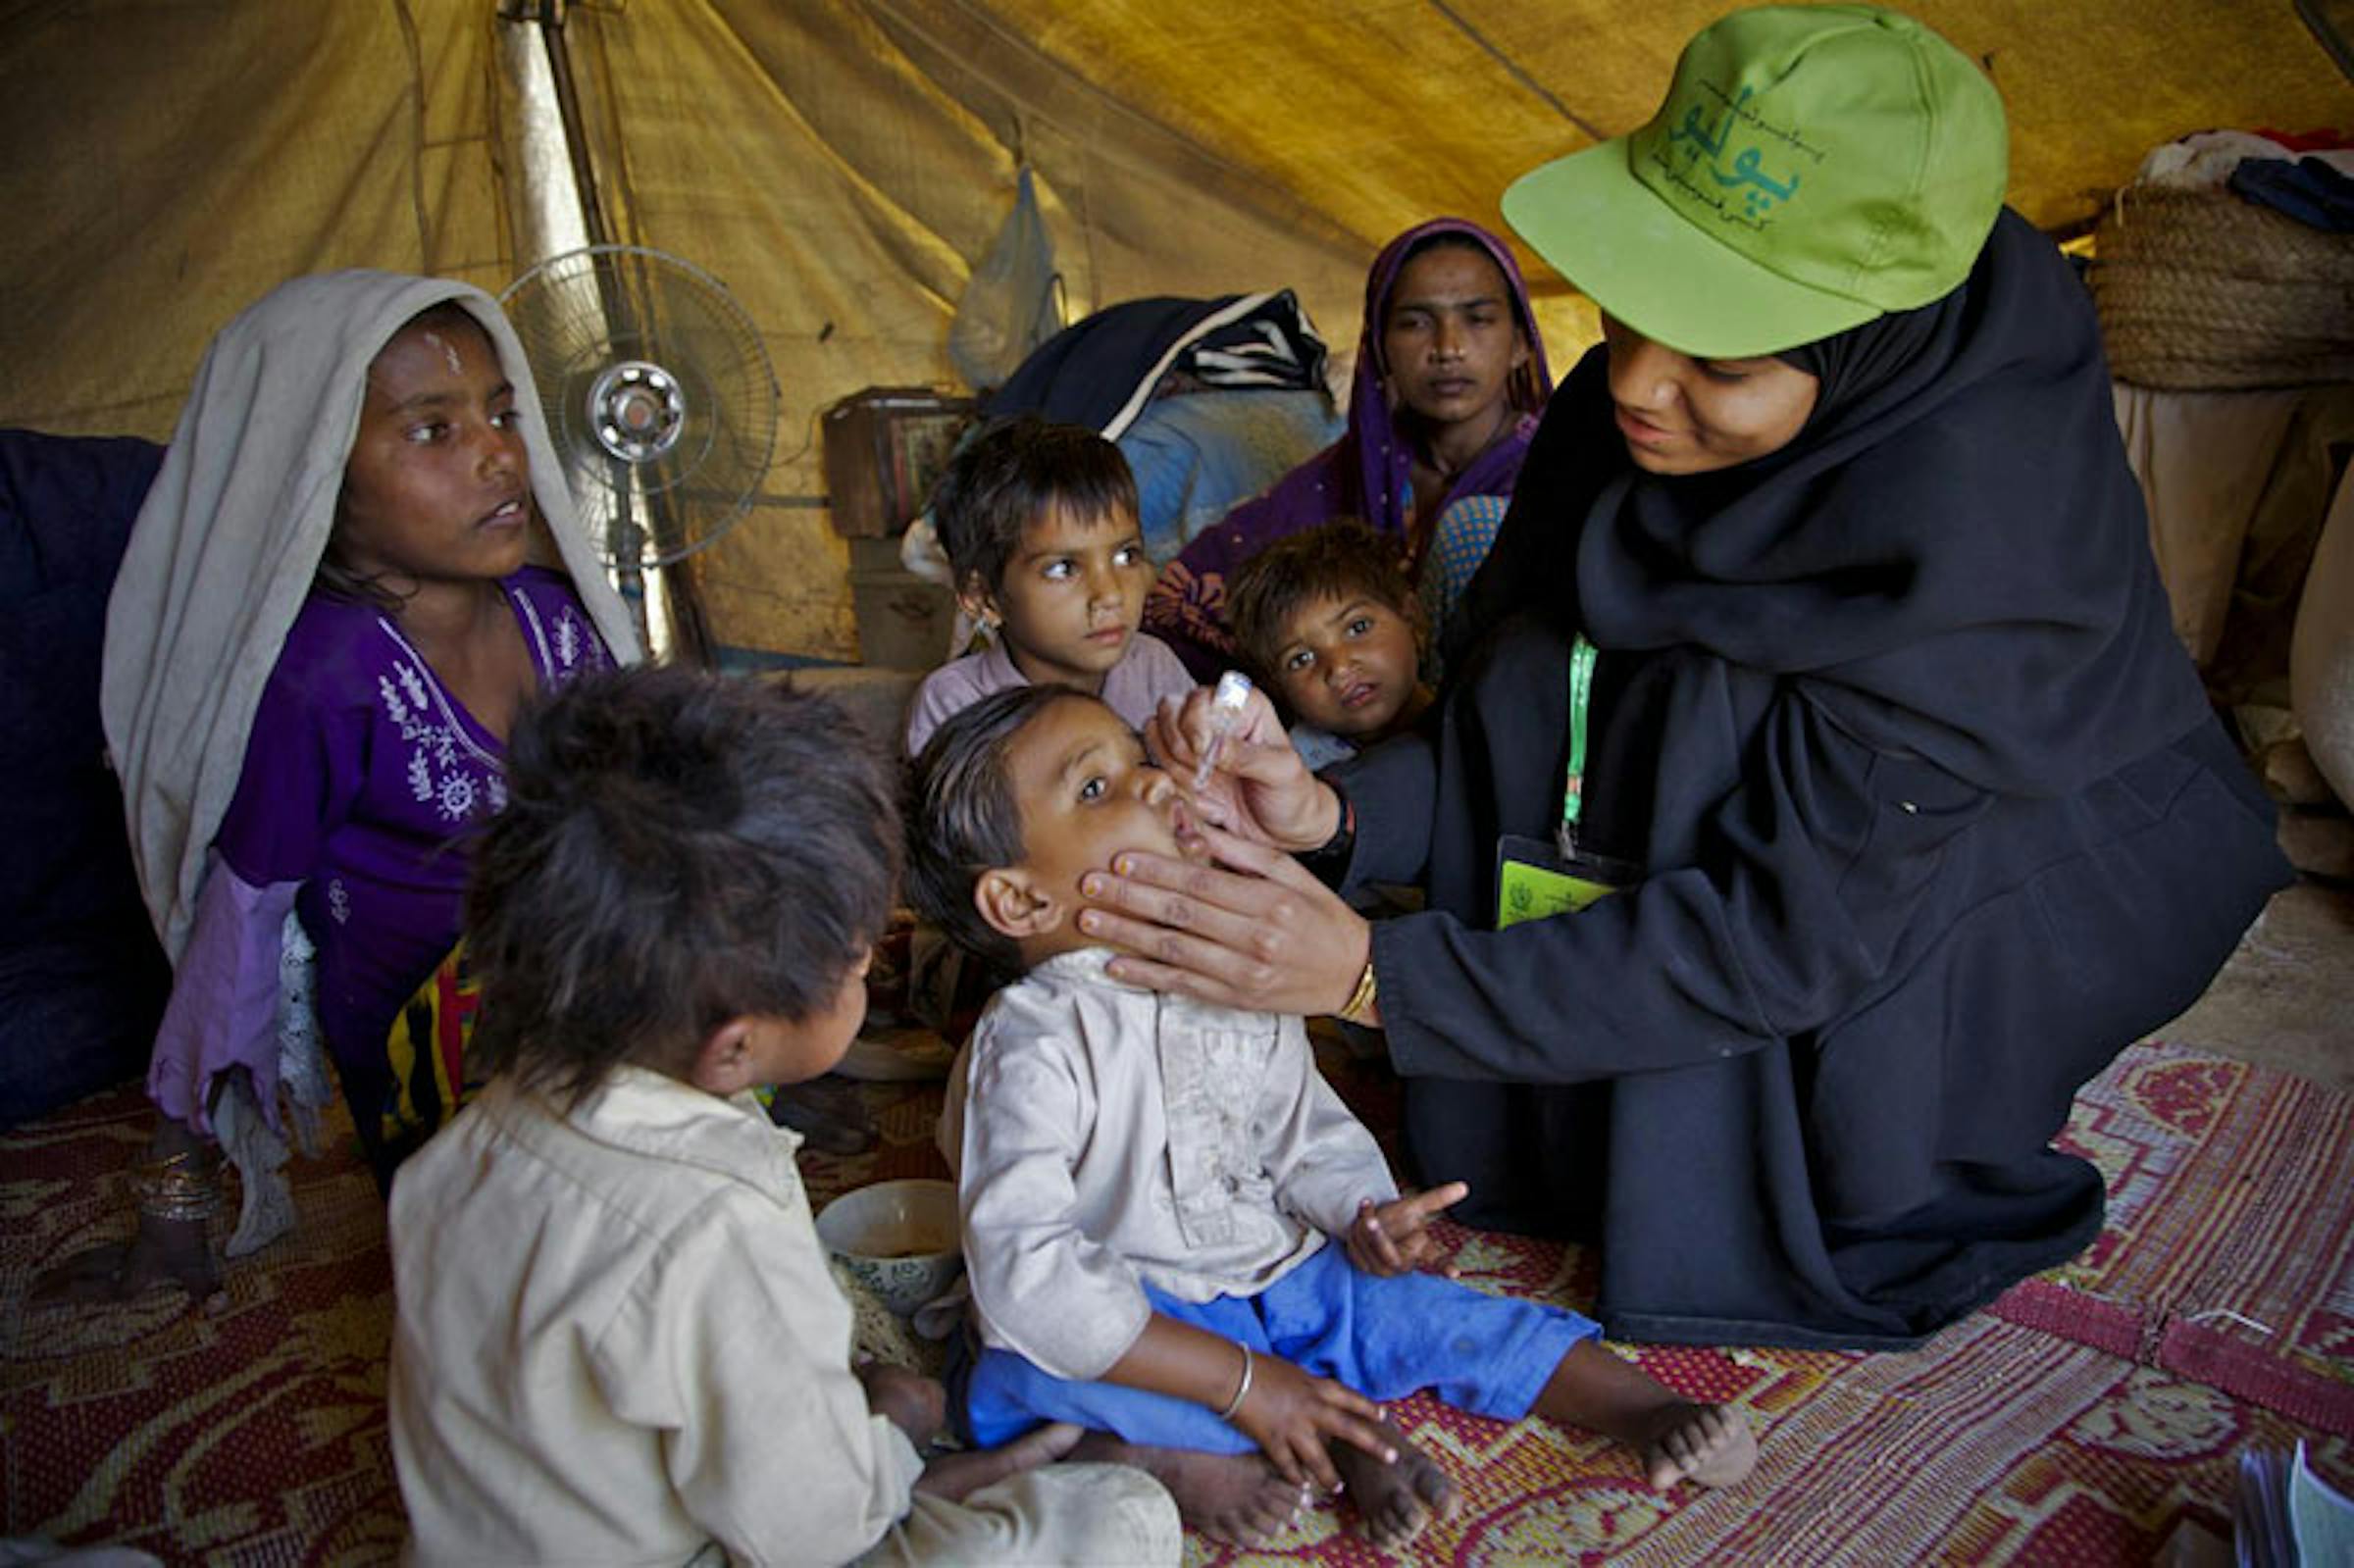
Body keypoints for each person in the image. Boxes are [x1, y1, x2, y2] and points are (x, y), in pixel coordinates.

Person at [1074, 4, 2294, 1352]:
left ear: (1862, 353)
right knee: (1579, 655)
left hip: (1982, 882)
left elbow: (1784, 937)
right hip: (1788, 856)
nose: (1642, 386)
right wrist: (1343, 818)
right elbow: (1525, 709)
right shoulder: (1625, 418)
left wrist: (1379, 976)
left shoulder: (1965, 547)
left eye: (1718, 356)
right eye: (1634, 310)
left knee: (1817, 1090)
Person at [902, 685, 1756, 1550]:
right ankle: (1193, 1448)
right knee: (1031, 1368)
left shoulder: (1233, 965)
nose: (1156, 785)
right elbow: (1030, 1274)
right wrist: (1243, 1380)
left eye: (1140, 760)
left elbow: (1300, 1125)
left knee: (1431, 1315)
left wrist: (1361, 1211)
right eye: (1095, 788)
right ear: (1020, 904)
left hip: (1277, 1267)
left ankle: (1642, 1405)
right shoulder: (1031, 1040)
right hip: (1140, 1304)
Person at [386, 666, 1179, 1565]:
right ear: (733, 1048)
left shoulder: (463, 1143)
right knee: (1116, 1517)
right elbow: (806, 1533)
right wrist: (892, 1428)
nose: (867, 973)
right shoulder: (715, 1218)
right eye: (852, 961)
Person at [36, 273, 638, 1313]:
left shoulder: (563, 619)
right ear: (313, 473)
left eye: (501, 412)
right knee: (567, 1292)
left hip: (607, 1001)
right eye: (431, 430)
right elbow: (235, 934)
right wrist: (176, 1199)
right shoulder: (325, 681)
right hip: (446, 1071)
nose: (499, 451)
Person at [1144, 218, 1552, 683]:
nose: (1448, 348)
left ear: (1520, 343)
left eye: (1477, 319)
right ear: (1379, 347)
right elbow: (1184, 597)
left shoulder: (1553, 477)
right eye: (1415, 323)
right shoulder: (1355, 470)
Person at [902, 416, 1197, 756]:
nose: (1111, 594)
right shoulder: (957, 703)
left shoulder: (1154, 669)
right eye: (1063, 568)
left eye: (1125, 556)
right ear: (982, 598)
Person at [1226, 519, 1431, 773]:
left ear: (1412, 619)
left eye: (1358, 628)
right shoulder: (1295, 772)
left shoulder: (1475, 700)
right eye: (1301, 659)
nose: (1339, 668)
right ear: (1279, 690)